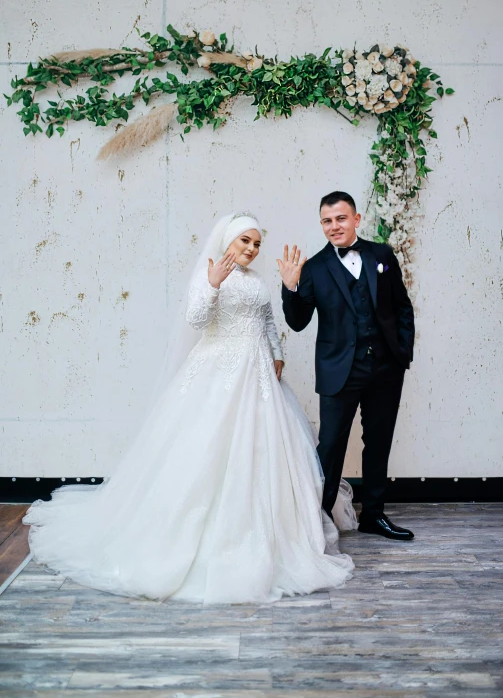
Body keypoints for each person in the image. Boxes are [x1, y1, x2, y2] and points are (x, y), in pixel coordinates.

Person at [23, 212, 356, 604]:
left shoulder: (257, 282)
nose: (250, 249)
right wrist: (213, 286)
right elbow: (196, 319)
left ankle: (273, 535)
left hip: (260, 375)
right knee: (205, 450)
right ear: (228, 242)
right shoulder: (210, 273)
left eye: (255, 243)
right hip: (217, 371)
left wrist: (278, 353)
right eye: (244, 241)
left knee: (263, 452)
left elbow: (266, 321)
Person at [278, 191, 415, 540]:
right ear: (321, 225)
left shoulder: (381, 254)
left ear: (356, 219)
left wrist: (403, 354)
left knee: (379, 442)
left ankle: (374, 515)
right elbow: (297, 322)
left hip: (386, 368)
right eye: (327, 220)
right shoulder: (314, 268)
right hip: (340, 370)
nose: (334, 226)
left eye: (341, 218)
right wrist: (290, 287)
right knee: (331, 446)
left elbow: (401, 306)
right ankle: (317, 522)